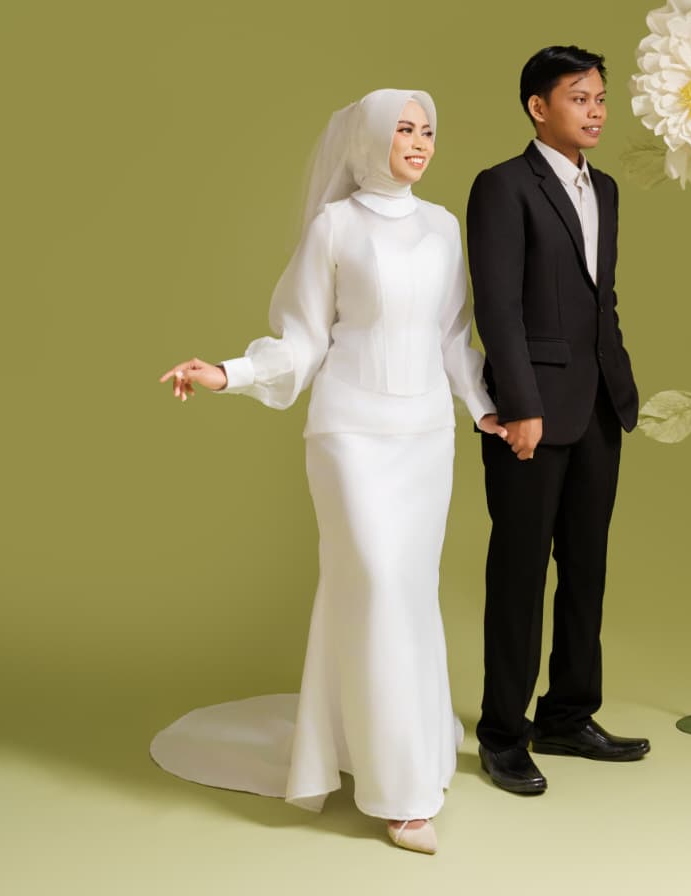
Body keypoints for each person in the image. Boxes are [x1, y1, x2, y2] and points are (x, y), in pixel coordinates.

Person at [154, 89, 504, 855]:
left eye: (428, 130)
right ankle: (401, 797)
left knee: (403, 590)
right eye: (404, 129)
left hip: (424, 437)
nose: (420, 142)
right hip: (350, 433)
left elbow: (454, 337)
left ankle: (392, 748)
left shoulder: (443, 227)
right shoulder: (335, 226)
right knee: (373, 580)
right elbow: (302, 340)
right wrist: (228, 372)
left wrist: (483, 409)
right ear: (370, 139)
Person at [466, 47, 649, 795]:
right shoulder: (503, 186)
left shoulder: (605, 188)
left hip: (599, 404)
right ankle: (502, 734)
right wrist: (519, 407)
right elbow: (498, 307)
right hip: (532, 413)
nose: (596, 110)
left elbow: (602, 298)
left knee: (586, 569)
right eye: (580, 97)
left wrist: (620, 381)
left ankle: (569, 716)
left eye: (601, 98)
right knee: (519, 574)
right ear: (538, 107)